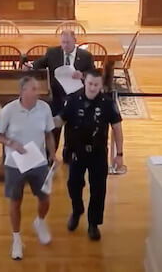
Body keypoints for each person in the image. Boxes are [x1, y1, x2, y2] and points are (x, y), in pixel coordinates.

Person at [0, 76, 58, 260]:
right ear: (23, 92)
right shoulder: (9, 110)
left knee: (45, 199)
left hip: (38, 162)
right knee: (15, 202)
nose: (38, 92)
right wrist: (11, 143)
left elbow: (49, 134)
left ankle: (40, 221)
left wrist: (52, 154)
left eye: (37, 89)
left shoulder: (44, 108)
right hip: (15, 164)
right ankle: (16, 239)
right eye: (34, 89)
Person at [57, 68, 123, 241]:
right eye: (90, 84)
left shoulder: (108, 103)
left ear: (101, 85)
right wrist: (43, 120)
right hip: (76, 152)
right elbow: (60, 121)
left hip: (98, 152)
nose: (93, 88)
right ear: (85, 82)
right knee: (74, 184)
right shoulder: (72, 100)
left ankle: (93, 223)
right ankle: (77, 210)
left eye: (96, 85)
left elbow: (117, 128)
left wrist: (120, 154)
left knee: (98, 189)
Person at [25, 30, 94, 154]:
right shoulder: (53, 53)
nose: (65, 45)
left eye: (68, 42)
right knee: (54, 129)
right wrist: (30, 65)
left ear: (75, 41)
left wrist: (82, 75)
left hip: (76, 98)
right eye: (63, 42)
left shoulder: (85, 56)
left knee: (73, 129)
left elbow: (92, 74)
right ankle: (51, 156)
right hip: (57, 97)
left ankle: (69, 155)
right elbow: (39, 64)